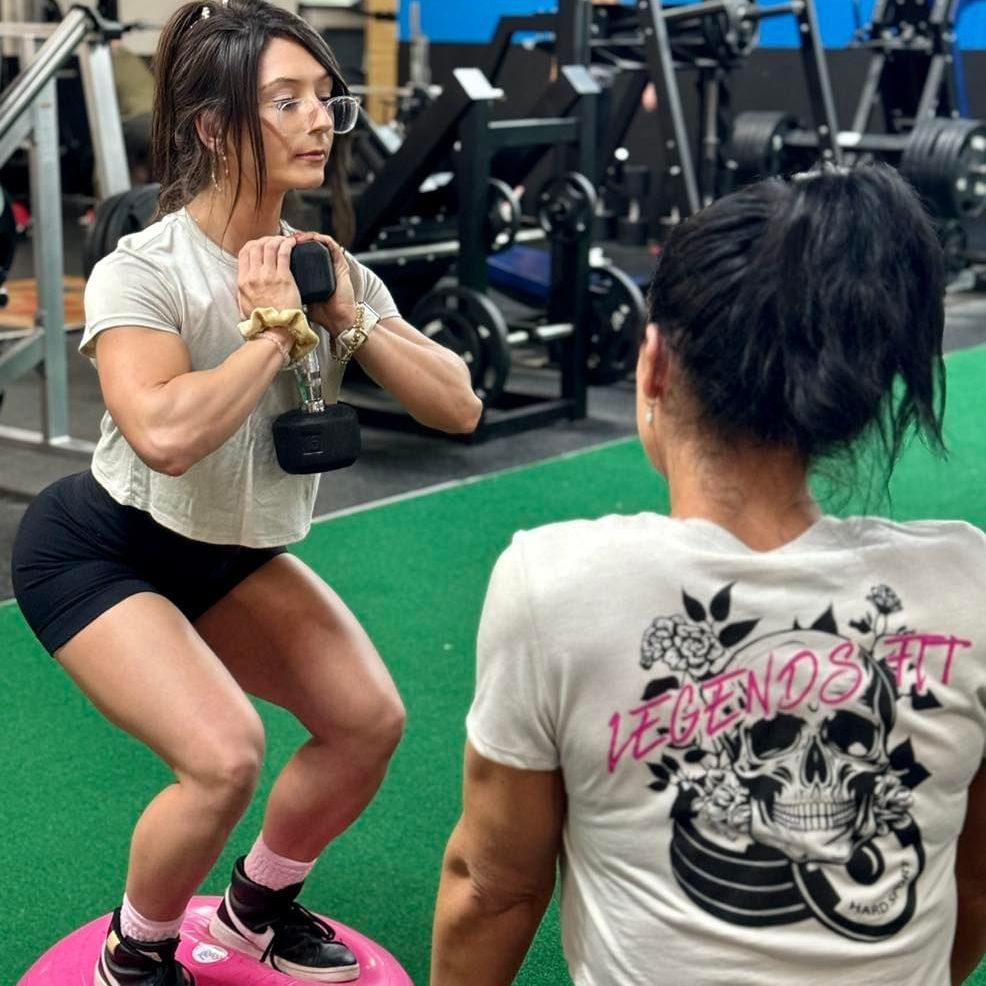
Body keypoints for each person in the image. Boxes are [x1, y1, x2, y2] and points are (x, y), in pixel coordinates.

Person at [11, 2, 481, 985]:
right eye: (286, 101)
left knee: (366, 721)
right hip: (100, 550)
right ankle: (134, 960)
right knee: (224, 756)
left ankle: (253, 908)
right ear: (218, 127)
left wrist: (345, 312)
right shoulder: (146, 266)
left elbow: (459, 407)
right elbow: (166, 434)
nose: (319, 120)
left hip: (223, 555)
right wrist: (274, 331)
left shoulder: (321, 264)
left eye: (324, 99)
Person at [431, 165, 986, 986]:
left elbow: (493, 886)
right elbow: (971, 886)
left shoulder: (552, 583)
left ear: (653, 368)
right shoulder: (970, 579)